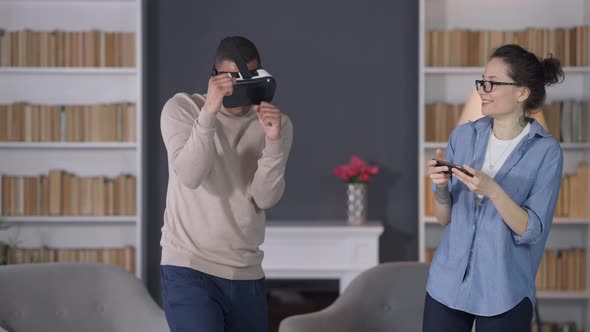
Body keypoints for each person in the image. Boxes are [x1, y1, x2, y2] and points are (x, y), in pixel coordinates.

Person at [422, 44, 565, 332]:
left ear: (522, 93)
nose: (483, 90)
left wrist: (493, 190)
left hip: (505, 290)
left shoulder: (546, 152)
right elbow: (443, 218)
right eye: (482, 82)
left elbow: (531, 230)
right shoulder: (463, 136)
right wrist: (440, 187)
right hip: (447, 285)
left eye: (492, 83)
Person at [159, 36, 293, 332]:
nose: (241, 88)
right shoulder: (182, 108)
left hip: (246, 273)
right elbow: (191, 175)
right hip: (189, 267)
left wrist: (272, 141)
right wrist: (208, 112)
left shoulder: (275, 122)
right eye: (233, 79)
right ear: (216, 77)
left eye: (250, 76)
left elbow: (265, 197)